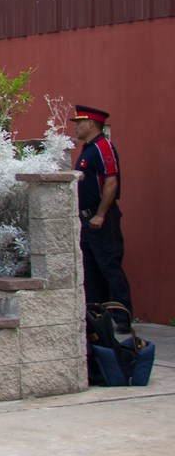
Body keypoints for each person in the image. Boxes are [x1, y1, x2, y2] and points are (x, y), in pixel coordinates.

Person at [73, 105, 133, 329]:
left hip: (102, 219)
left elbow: (111, 181)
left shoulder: (102, 146)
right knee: (91, 270)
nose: (76, 127)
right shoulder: (87, 148)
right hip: (87, 220)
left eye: (79, 122)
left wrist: (100, 214)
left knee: (109, 266)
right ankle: (97, 316)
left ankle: (122, 317)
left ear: (91, 123)